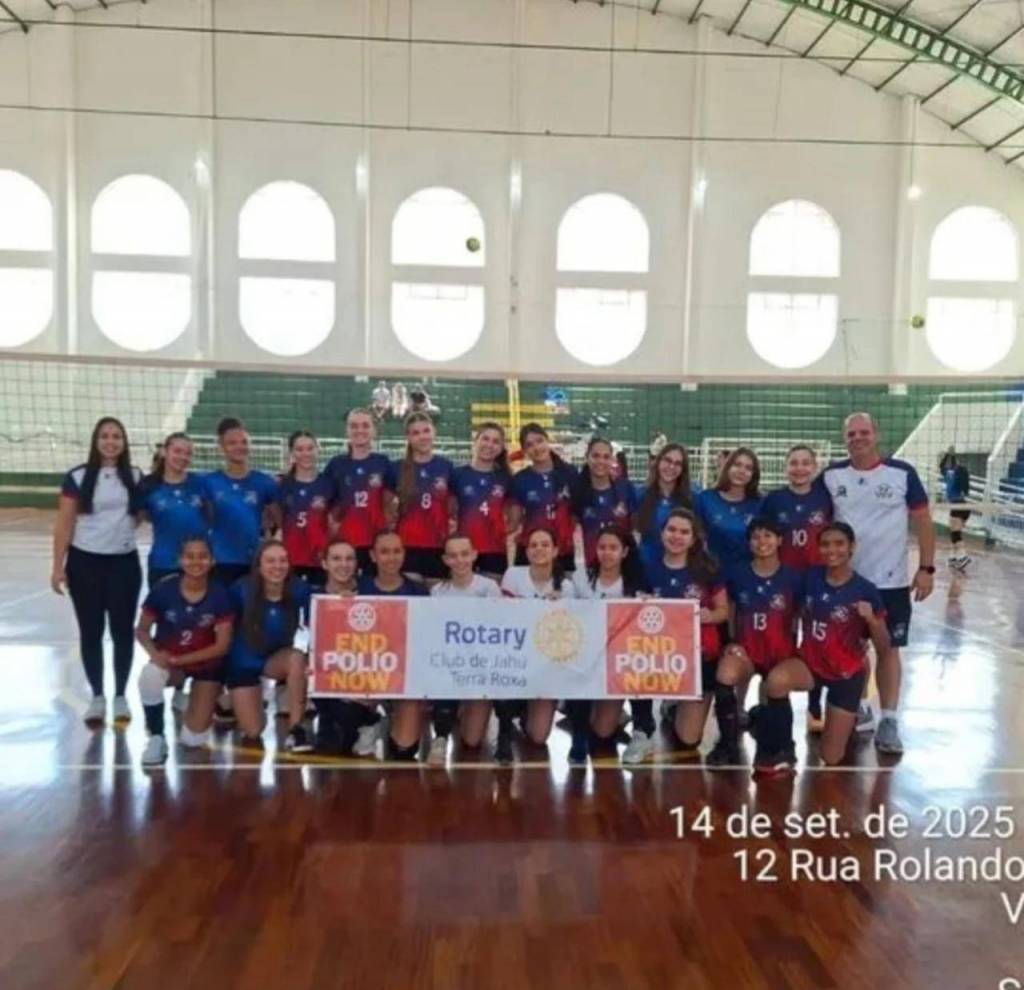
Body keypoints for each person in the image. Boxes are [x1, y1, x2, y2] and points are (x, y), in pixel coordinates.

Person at [822, 412, 935, 755]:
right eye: (851, 433)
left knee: (888, 649)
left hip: (891, 582)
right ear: (844, 438)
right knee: (851, 649)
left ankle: (889, 719)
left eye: (864, 432)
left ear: (876, 434)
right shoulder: (831, 475)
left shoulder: (902, 473)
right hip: (846, 582)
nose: (857, 438)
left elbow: (923, 520)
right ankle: (861, 709)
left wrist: (926, 567)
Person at [751, 522, 890, 768]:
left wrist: (872, 620)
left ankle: (846, 715)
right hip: (811, 665)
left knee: (831, 757)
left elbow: (884, 647)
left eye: (839, 544)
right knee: (776, 681)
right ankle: (783, 749)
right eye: (825, 544)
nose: (832, 550)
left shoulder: (865, 590)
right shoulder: (810, 578)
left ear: (852, 547)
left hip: (845, 673)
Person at [51, 416, 143, 727]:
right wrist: (57, 566)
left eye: (117, 436)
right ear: (96, 440)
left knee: (122, 632)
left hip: (123, 563)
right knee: (91, 632)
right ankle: (98, 697)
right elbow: (64, 524)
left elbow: (140, 515)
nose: (110, 441)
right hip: (85, 563)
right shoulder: (77, 477)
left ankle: (120, 696)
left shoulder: (135, 475)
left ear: (124, 442)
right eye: (105, 436)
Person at [134, 536, 234, 766]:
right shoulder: (164, 590)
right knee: (150, 675)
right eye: (190, 556)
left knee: (193, 739)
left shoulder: (220, 594)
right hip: (172, 665)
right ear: (180, 560)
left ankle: (202, 701)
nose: (196, 562)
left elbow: (222, 646)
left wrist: (179, 659)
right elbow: (141, 630)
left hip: (207, 668)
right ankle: (156, 737)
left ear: (212, 561)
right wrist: (155, 654)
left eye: (203, 556)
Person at [718, 518, 804, 772]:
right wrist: (730, 643)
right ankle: (727, 744)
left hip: (780, 653)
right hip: (747, 652)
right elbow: (730, 610)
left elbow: (804, 614)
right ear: (749, 542)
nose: (762, 542)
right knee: (725, 674)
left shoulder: (793, 578)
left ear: (779, 540)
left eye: (768, 536)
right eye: (756, 537)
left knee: (776, 694)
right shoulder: (737, 574)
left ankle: (785, 746)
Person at [645, 509, 729, 761]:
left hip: (698, 657)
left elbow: (723, 611)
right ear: (662, 533)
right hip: (660, 656)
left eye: (684, 532)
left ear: (693, 539)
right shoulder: (648, 568)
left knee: (688, 739)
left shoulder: (708, 569)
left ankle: (674, 707)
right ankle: (663, 705)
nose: (676, 536)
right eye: (671, 530)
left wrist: (709, 616)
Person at [760, 444, 833, 732]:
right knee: (781, 639)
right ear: (785, 467)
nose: (799, 468)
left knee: (816, 640)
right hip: (784, 580)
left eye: (805, 463)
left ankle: (815, 705)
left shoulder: (824, 497)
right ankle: (775, 703)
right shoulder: (775, 499)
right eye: (793, 463)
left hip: (817, 579)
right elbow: (762, 534)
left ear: (814, 467)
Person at [498, 527, 579, 763]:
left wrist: (558, 608)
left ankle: (526, 710)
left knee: (538, 737)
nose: (539, 549)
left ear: (555, 551)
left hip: (546, 664)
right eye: (533, 545)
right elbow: (502, 617)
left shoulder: (566, 587)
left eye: (545, 545)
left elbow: (569, 633)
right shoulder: (513, 575)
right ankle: (505, 723)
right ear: (526, 551)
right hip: (515, 656)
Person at [571, 526, 649, 765]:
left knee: (603, 732)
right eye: (602, 547)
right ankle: (578, 733)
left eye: (613, 548)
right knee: (575, 676)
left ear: (624, 552)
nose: (607, 553)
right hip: (589, 656)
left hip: (622, 660)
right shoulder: (581, 578)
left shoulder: (636, 584)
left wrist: (649, 605)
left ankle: (643, 728)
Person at [225, 540, 312, 752]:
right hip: (242, 664)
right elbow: (222, 628)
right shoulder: (241, 590)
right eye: (271, 561)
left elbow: (324, 613)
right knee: (253, 731)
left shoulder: (299, 589)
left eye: (283, 561)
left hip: (275, 659)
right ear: (259, 565)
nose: (277, 566)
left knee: (297, 659)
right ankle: (228, 700)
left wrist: (344, 597)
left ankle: (296, 729)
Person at [429, 534, 502, 765]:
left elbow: (499, 629)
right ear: (445, 560)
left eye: (464, 554)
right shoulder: (438, 591)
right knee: (442, 672)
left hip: (481, 666)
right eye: (453, 556)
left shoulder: (489, 588)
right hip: (451, 663)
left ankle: (471, 709)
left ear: (474, 555)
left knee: (472, 740)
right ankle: (440, 737)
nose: (459, 560)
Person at [356, 531, 428, 761]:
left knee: (404, 750)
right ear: (373, 555)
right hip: (366, 674)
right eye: (384, 552)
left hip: (404, 676)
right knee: (343, 739)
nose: (391, 557)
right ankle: (373, 718)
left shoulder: (419, 592)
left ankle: (392, 714)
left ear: (404, 554)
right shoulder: (359, 589)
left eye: (397, 551)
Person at [202, 417, 279, 587]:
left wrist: (269, 538)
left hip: (253, 562)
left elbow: (280, 522)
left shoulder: (265, 482)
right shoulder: (209, 482)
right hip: (219, 562)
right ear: (221, 447)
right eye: (232, 443)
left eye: (244, 442)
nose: (239, 447)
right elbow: (203, 521)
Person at [324, 408, 395, 574]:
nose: (359, 430)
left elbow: (392, 499)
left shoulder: (383, 463)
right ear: (347, 431)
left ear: (374, 430)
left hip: (376, 542)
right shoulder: (336, 464)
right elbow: (325, 499)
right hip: (345, 542)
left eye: (365, 425)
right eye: (354, 426)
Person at [392, 412, 455, 583]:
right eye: (416, 433)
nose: (422, 437)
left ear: (434, 432)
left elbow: (453, 505)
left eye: (426, 431)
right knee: (412, 595)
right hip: (407, 547)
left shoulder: (446, 467)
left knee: (436, 598)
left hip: (438, 546)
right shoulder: (396, 468)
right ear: (408, 437)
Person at [139, 432, 208, 588]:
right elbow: (142, 517)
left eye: (188, 453)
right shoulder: (148, 486)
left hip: (197, 563)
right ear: (164, 452)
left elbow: (212, 517)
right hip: (163, 563)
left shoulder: (201, 483)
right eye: (177, 451)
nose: (183, 457)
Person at [508, 423, 578, 572]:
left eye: (540, 441)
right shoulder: (520, 479)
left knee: (562, 586)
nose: (537, 448)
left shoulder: (570, 473)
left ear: (548, 441)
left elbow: (578, 511)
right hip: (531, 548)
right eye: (530, 445)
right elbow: (513, 522)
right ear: (525, 450)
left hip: (562, 549)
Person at [452, 421, 513, 578]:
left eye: (496, 441)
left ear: (501, 448)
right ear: (476, 440)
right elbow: (449, 510)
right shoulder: (457, 475)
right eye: (485, 439)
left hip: (495, 551)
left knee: (492, 593)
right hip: (463, 550)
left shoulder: (506, 478)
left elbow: (514, 515)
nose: (489, 445)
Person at [277, 430, 333, 585]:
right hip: (290, 560)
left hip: (320, 561)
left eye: (310, 448)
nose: (306, 453)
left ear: (317, 450)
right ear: (292, 453)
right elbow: (277, 522)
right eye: (300, 449)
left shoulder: (328, 484)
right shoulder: (283, 486)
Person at [573, 437, 637, 570]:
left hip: (624, 567)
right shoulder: (578, 492)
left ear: (612, 460)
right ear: (587, 458)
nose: (601, 461)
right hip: (594, 566)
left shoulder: (625, 488)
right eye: (595, 456)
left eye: (606, 457)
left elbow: (635, 527)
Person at [695, 447, 763, 570]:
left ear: (754, 475)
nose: (741, 471)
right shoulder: (705, 499)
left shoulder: (761, 504)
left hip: (748, 575)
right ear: (727, 467)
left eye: (748, 468)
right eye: (737, 465)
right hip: (712, 574)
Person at [634, 443, 694, 572]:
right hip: (646, 567)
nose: (671, 466)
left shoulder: (692, 498)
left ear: (683, 469)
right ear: (658, 462)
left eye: (678, 463)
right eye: (668, 460)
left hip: (680, 569)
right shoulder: (640, 495)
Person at [939, 447, 972, 571]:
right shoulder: (960, 479)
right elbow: (950, 467)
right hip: (964, 507)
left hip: (957, 506)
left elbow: (942, 466)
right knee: (954, 533)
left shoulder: (950, 476)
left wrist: (948, 455)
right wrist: (951, 456)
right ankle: (953, 558)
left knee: (956, 534)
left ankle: (963, 557)